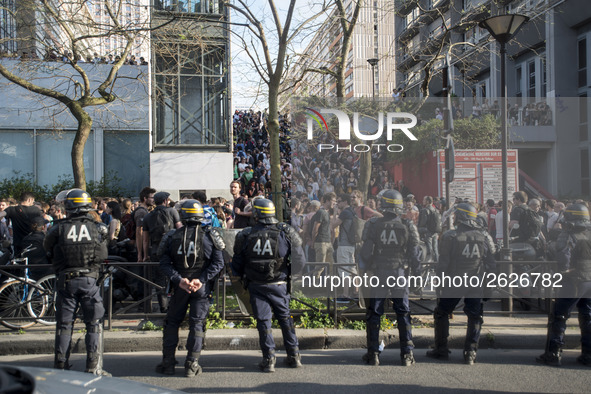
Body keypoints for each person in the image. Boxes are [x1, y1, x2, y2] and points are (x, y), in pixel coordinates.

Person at [231, 198, 306, 372]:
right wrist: (290, 274)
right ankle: (294, 356)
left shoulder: (245, 234)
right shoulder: (285, 231)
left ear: (256, 214)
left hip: (256, 284)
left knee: (264, 322)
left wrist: (241, 277)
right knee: (285, 319)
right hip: (279, 283)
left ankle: (269, 359)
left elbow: (237, 262)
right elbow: (300, 259)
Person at [155, 200, 225, 377]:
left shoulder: (171, 236)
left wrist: (179, 280)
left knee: (172, 322)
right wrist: (201, 280)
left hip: (180, 288)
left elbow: (163, 263)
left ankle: (168, 363)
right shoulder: (210, 236)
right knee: (197, 324)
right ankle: (192, 364)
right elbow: (218, 263)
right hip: (200, 288)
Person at [43, 189, 109, 375]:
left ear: (69, 206)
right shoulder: (98, 227)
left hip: (66, 280)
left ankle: (60, 365)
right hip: (90, 280)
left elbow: (47, 249)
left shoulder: (57, 228)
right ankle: (93, 366)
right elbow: (103, 254)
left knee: (64, 325)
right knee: (93, 324)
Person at [426, 203, 496, 365]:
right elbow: (491, 265)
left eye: (457, 214)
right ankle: (471, 351)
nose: (454, 217)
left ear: (463, 217)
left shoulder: (450, 236)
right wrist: (489, 287)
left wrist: (440, 283)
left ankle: (441, 349)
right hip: (475, 281)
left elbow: (443, 263)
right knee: (475, 316)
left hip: (454, 282)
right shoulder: (484, 236)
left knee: (442, 313)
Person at [360, 189, 421, 366]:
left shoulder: (372, 224)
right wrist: (417, 278)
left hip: (379, 273)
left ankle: (373, 354)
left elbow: (365, 253)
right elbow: (416, 254)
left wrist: (364, 272)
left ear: (383, 204)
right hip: (399, 273)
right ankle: (407, 354)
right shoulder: (408, 225)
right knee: (403, 312)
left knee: (374, 313)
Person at [536, 203, 591, 367]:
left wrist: (562, 271)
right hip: (589, 280)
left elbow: (563, 258)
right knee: (587, 317)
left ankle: (554, 353)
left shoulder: (567, 234)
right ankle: (588, 354)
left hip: (573, 281)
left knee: (559, 317)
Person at [142, 191, 182, 313]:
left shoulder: (148, 216)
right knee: (177, 277)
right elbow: (180, 228)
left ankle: (163, 307)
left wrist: (144, 255)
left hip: (156, 251)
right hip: (173, 250)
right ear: (165, 201)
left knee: (159, 280)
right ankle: (176, 306)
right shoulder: (172, 211)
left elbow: (145, 239)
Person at [0, 191, 43, 256]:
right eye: (33, 201)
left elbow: (1, 214)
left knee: (18, 262)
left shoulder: (11, 209)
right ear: (29, 200)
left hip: (18, 243)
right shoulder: (35, 210)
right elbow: (41, 224)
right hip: (33, 242)